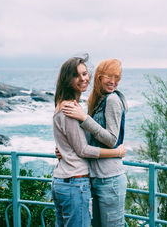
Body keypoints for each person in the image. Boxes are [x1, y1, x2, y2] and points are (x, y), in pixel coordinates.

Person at [52, 56, 126, 227]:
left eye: (85, 73)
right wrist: (64, 149)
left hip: (103, 178)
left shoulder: (110, 100)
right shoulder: (74, 107)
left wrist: (67, 147)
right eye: (109, 76)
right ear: (99, 76)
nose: (113, 81)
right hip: (80, 180)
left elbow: (111, 139)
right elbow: (83, 148)